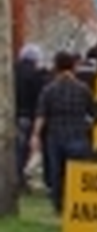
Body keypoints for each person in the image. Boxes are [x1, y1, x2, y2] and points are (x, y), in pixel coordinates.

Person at [29, 51, 93, 215]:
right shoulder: (83, 89)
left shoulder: (49, 90)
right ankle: (77, 203)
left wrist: (36, 135)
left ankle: (59, 205)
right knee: (77, 172)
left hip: (55, 135)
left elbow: (41, 115)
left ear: (56, 67)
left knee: (56, 173)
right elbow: (93, 112)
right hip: (78, 133)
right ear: (74, 66)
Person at [14, 44, 48, 193]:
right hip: (28, 115)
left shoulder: (11, 71)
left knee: (15, 149)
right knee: (23, 150)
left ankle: (15, 178)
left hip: (13, 115)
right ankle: (18, 180)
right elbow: (39, 97)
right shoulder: (35, 76)